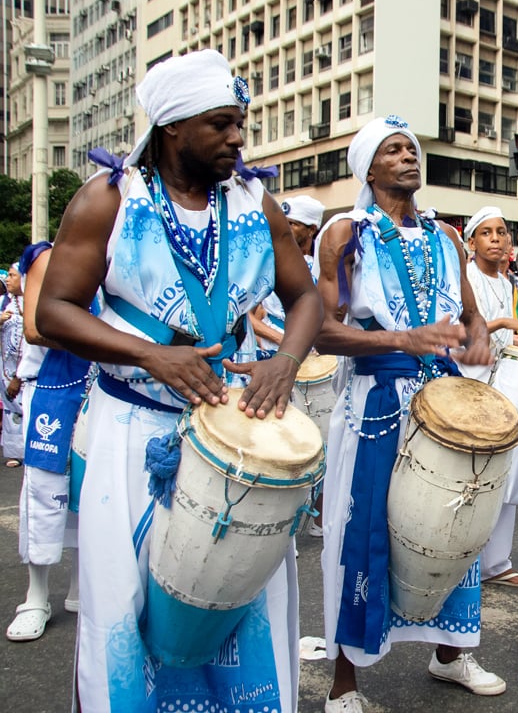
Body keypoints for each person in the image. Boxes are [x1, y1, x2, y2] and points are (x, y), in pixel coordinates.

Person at [35, 49, 323, 710]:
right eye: (221, 123)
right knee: (124, 597)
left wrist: (285, 361)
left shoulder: (255, 203)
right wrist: (149, 355)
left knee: (246, 591)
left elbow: (304, 298)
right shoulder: (109, 199)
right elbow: (54, 309)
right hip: (131, 425)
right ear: (172, 126)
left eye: (239, 123)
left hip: (235, 428)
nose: (238, 138)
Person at [315, 116, 503, 713]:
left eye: (412, 148)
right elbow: (325, 334)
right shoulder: (344, 234)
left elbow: (471, 316)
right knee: (364, 531)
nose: (408, 156)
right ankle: (345, 683)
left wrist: (478, 339)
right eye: (393, 150)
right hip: (377, 401)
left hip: (444, 397)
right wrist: (402, 339)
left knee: (456, 520)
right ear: (368, 169)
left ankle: (449, 655)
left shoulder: (447, 239)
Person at [4, 243, 83, 643]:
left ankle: (78, 587)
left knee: (91, 491)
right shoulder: (46, 256)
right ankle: (35, 598)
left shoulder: (118, 256)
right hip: (51, 390)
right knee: (44, 490)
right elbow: (37, 327)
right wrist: (108, 341)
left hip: (99, 388)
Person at [458, 206, 518, 588]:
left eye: (502, 232)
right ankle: (460, 560)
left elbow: (503, 339)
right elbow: (461, 332)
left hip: (503, 380)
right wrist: (506, 324)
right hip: (470, 382)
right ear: (471, 242)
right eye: (487, 233)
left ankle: (496, 563)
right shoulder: (465, 277)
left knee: (506, 471)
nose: (497, 239)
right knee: (470, 476)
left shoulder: (508, 284)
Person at [250, 194, 326, 353]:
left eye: (292, 224)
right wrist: (283, 340)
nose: (285, 228)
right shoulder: (267, 264)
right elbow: (246, 316)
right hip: (275, 353)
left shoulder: (324, 265)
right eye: (285, 223)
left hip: (317, 358)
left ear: (311, 229)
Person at [1, 264, 24, 468]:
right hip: (6, 368)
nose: (7, 280)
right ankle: (15, 452)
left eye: (12, 276)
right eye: (7, 276)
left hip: (28, 368)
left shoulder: (34, 303)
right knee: (12, 411)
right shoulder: (4, 304)